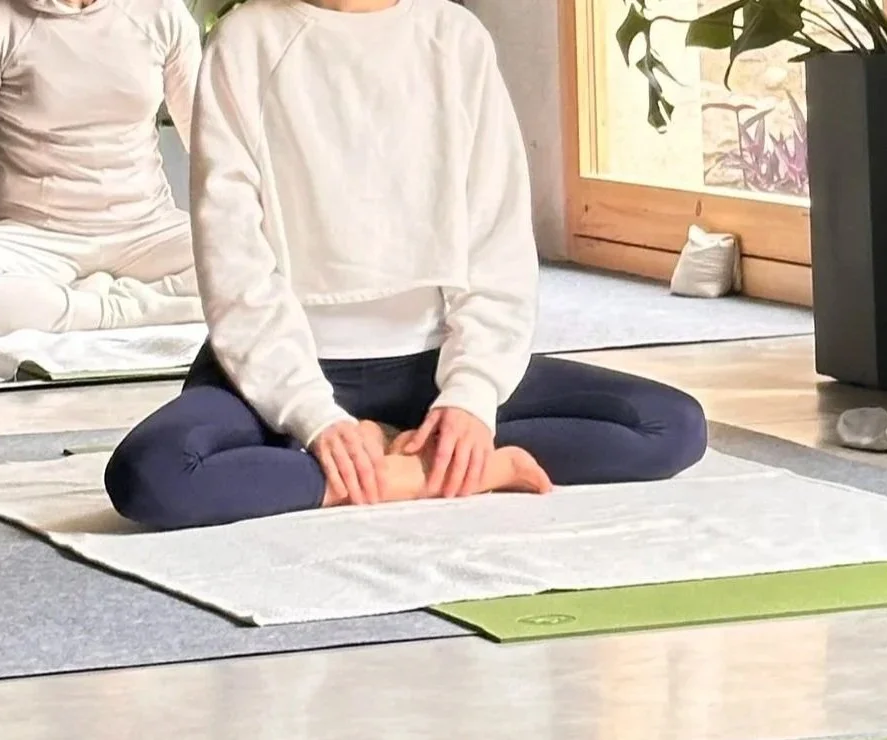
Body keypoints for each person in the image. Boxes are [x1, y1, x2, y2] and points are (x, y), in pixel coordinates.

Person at [104, 0, 709, 529]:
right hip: (282, 371)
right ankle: (417, 473)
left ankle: (388, 460)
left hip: (429, 370)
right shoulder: (244, 41)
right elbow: (234, 263)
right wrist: (314, 418)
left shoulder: (455, 39)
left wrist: (470, 400)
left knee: (670, 425)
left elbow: (497, 246)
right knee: (154, 473)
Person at [0, 0, 203, 337]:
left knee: (258, 257)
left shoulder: (162, 13)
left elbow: (205, 137)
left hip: (145, 229)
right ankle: (135, 310)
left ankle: (77, 306)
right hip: (32, 236)